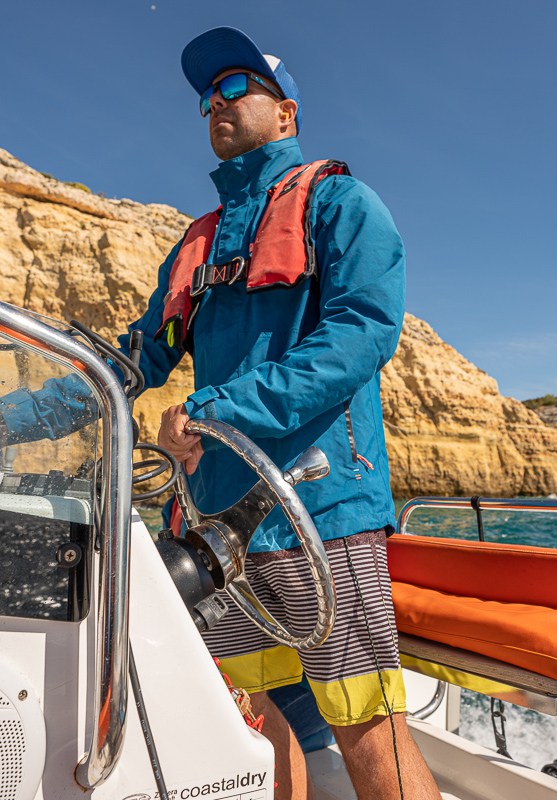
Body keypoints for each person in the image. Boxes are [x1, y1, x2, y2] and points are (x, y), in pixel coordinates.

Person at [117, 26, 441, 800]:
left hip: (321, 508)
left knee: (366, 726)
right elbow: (140, 356)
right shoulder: (199, 243)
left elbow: (362, 334)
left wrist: (216, 408)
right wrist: (38, 405)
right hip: (218, 520)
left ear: (286, 114)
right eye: (206, 97)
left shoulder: (340, 202)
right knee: (255, 717)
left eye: (236, 88)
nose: (215, 105)